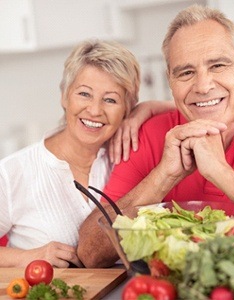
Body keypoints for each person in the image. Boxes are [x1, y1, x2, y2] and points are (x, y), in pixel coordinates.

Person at [78, 4, 234, 268]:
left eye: (217, 65)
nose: (203, 86)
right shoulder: (148, 135)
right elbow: (90, 253)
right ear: (170, 81)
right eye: (186, 72)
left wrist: (221, 173)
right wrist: (165, 175)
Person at [0, 39, 174, 268]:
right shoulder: (12, 172)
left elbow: (196, 108)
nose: (94, 110)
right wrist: (28, 256)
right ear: (64, 96)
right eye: (84, 94)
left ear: (128, 108)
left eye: (110, 99)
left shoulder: (129, 155)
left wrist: (150, 107)